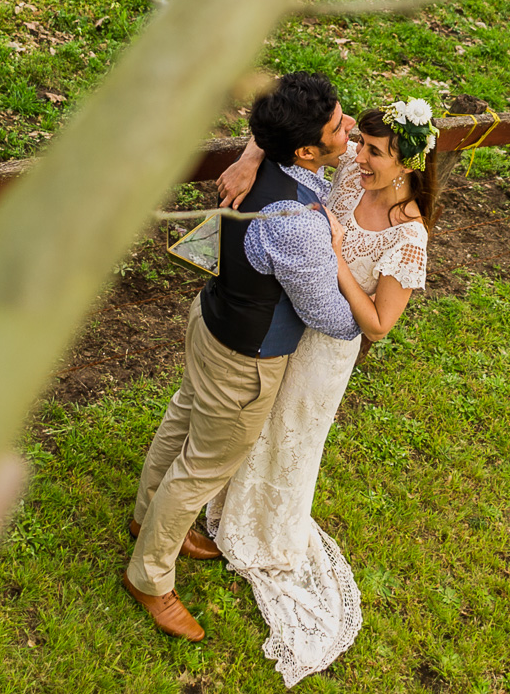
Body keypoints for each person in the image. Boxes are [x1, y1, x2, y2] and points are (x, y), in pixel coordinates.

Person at [205, 98, 439, 687]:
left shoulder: (408, 236)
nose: (360, 156)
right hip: (290, 322)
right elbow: (292, 125)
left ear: (408, 164)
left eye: (377, 154)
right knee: (257, 420)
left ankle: (268, 531)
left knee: (292, 437)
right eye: (360, 144)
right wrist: (252, 152)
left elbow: (379, 325)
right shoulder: (350, 164)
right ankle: (227, 504)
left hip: (328, 350)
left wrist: (333, 255)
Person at [123, 72, 359, 640]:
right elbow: (330, 316)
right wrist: (359, 288)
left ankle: (146, 518)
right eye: (336, 125)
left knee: (183, 414)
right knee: (203, 465)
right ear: (306, 150)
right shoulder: (298, 225)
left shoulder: (269, 159)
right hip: (245, 361)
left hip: (209, 318)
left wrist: (253, 152)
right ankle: (150, 577)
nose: (348, 125)